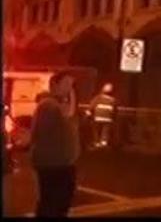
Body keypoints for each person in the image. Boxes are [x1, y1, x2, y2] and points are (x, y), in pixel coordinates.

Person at [29, 72, 80, 217]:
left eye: (71, 85)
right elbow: (40, 134)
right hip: (53, 164)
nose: (69, 89)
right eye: (66, 84)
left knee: (59, 203)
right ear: (54, 85)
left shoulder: (58, 105)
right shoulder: (48, 106)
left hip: (61, 163)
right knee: (53, 203)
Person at [86, 83, 116, 148]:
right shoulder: (113, 100)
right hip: (108, 119)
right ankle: (103, 143)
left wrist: (88, 112)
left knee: (96, 130)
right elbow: (115, 110)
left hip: (98, 118)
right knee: (105, 131)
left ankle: (97, 142)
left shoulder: (98, 98)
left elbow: (91, 106)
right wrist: (113, 118)